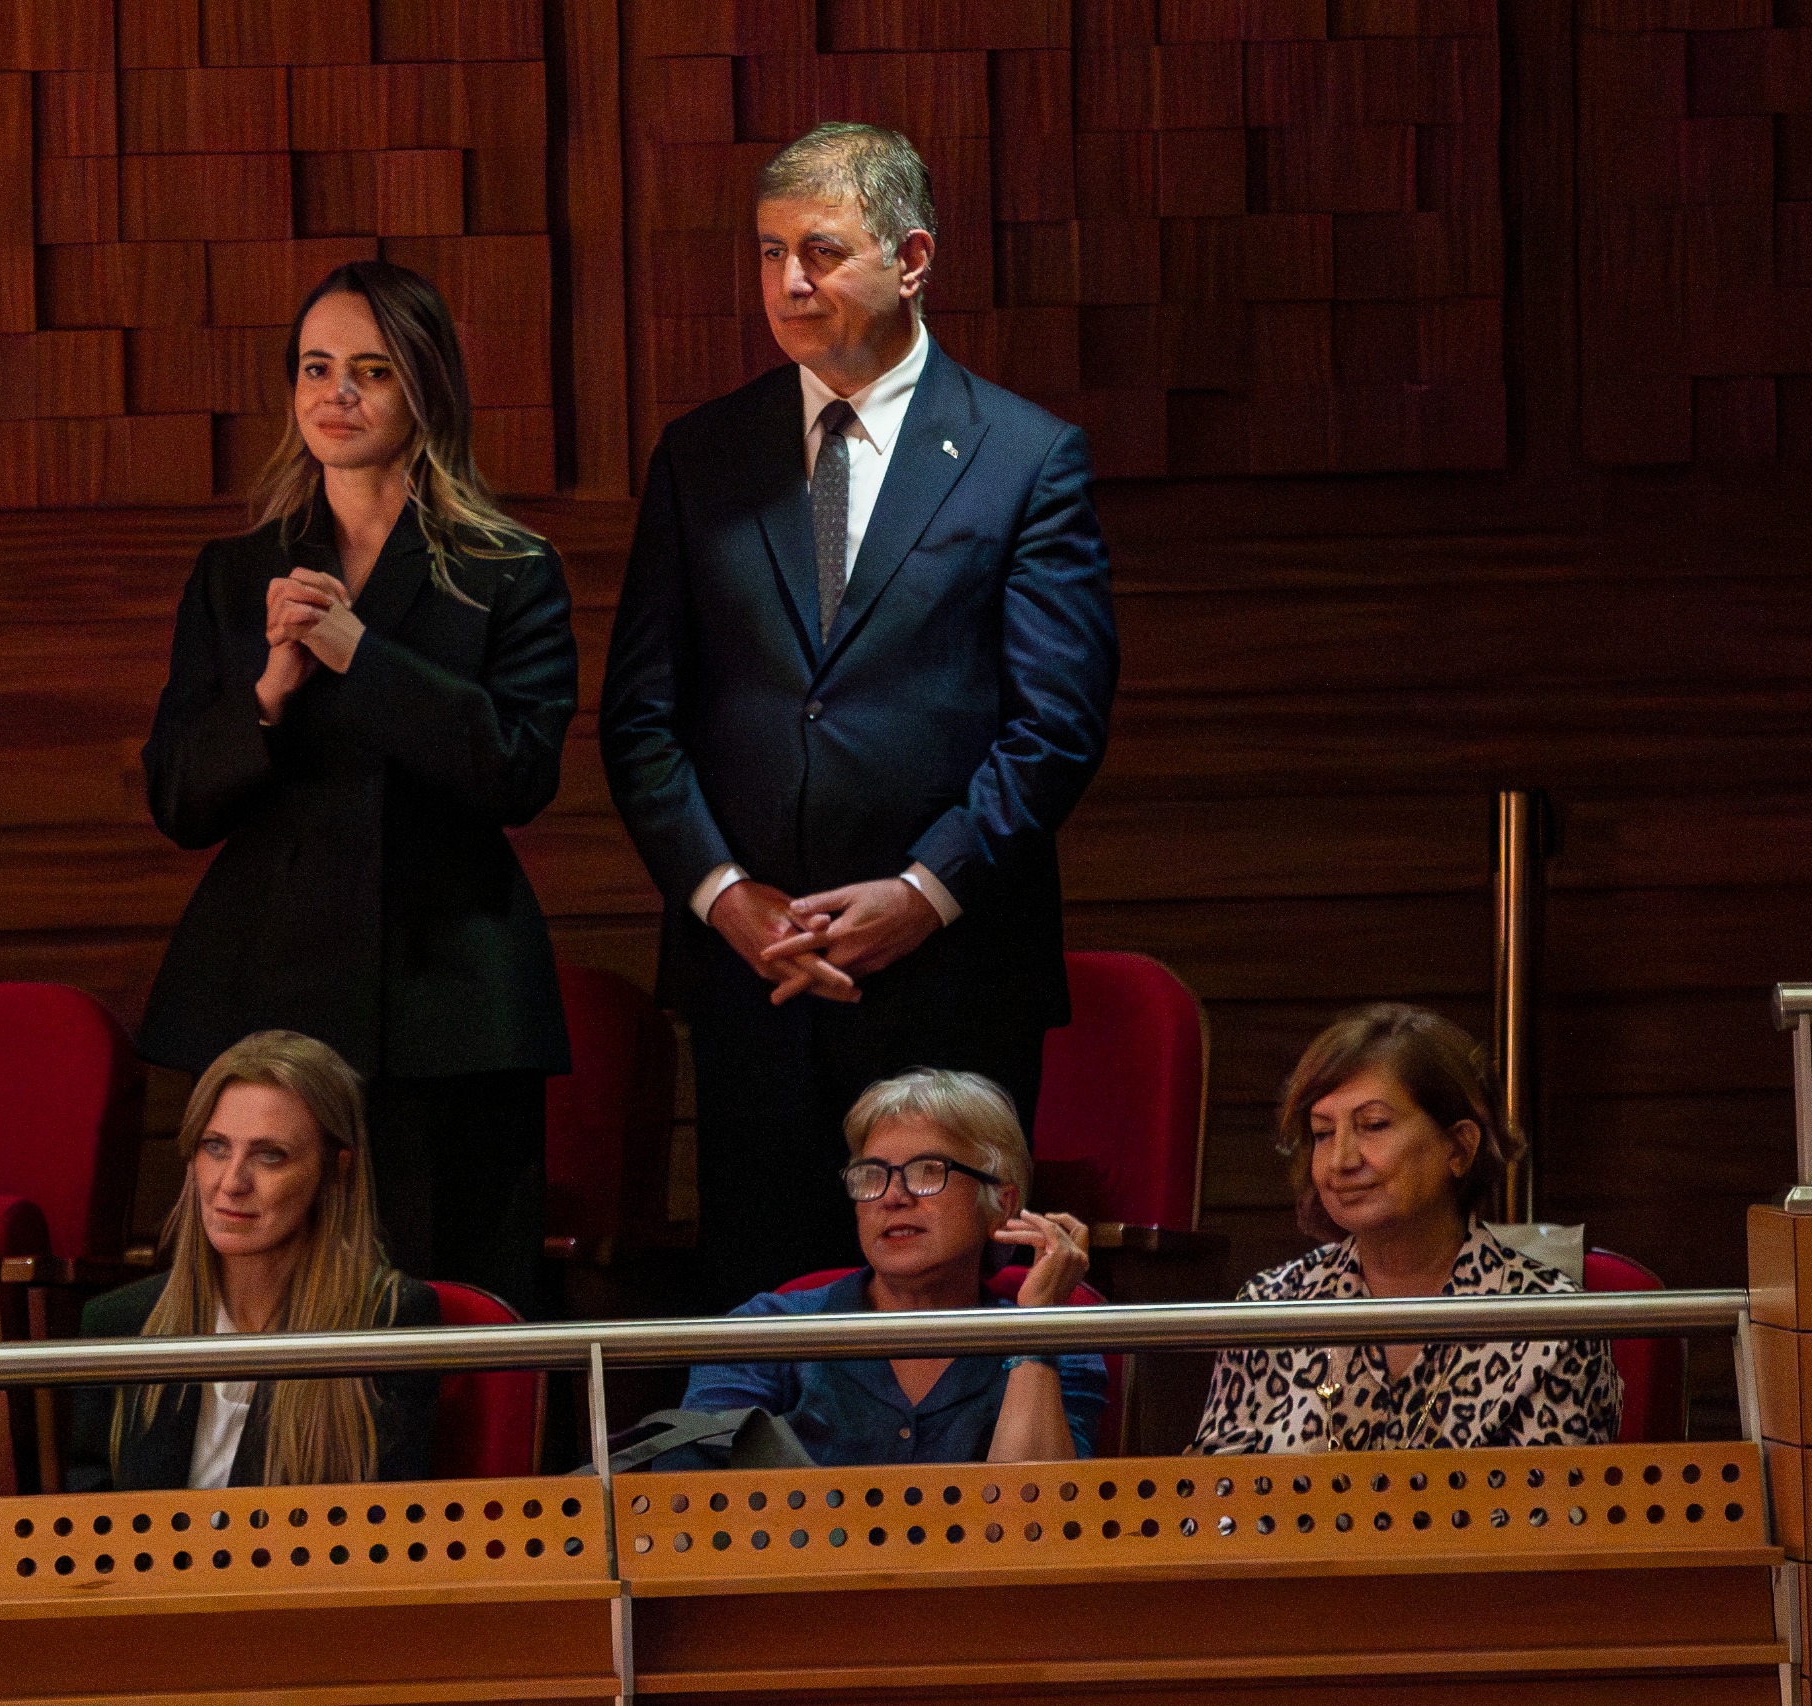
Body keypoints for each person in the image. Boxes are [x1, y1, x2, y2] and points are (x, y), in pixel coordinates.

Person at [599, 122, 1118, 1307]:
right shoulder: (701, 455)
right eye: (772, 252)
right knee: (765, 1314)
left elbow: (1056, 726)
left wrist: (921, 892)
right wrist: (725, 897)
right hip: (758, 986)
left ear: (913, 257)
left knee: (945, 1316)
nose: (789, 281)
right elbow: (638, 719)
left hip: (949, 974)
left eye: (822, 251)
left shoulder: (1023, 458)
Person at [138, 259, 576, 1317]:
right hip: (268, 985)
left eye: (370, 372)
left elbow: (517, 770)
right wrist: (271, 694)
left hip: (450, 1004)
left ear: (424, 389)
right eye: (316, 368)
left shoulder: (508, 567)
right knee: (260, 1303)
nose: (337, 395)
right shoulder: (234, 573)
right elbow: (179, 799)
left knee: (446, 1302)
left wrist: (358, 651)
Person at [1192, 1005, 1622, 1453]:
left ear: (1459, 1146)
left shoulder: (1550, 1324)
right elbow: (1218, 1509)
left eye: (1373, 1126)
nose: (1341, 1160)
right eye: (1322, 1133)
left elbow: (1555, 1516)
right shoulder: (1268, 1309)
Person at [676, 1069, 1109, 1467]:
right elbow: (684, 1508)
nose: (892, 1197)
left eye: (926, 1171)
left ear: (1002, 1203)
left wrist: (1034, 1330)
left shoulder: (1061, 1341)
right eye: (871, 1175)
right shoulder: (765, 1329)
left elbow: (1039, 1524)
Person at [67, 1031, 440, 1491]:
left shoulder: (389, 1320)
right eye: (216, 1147)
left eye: (269, 1156)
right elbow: (91, 1532)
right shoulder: (119, 1323)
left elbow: (379, 1536)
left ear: (335, 1169)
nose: (232, 1181)